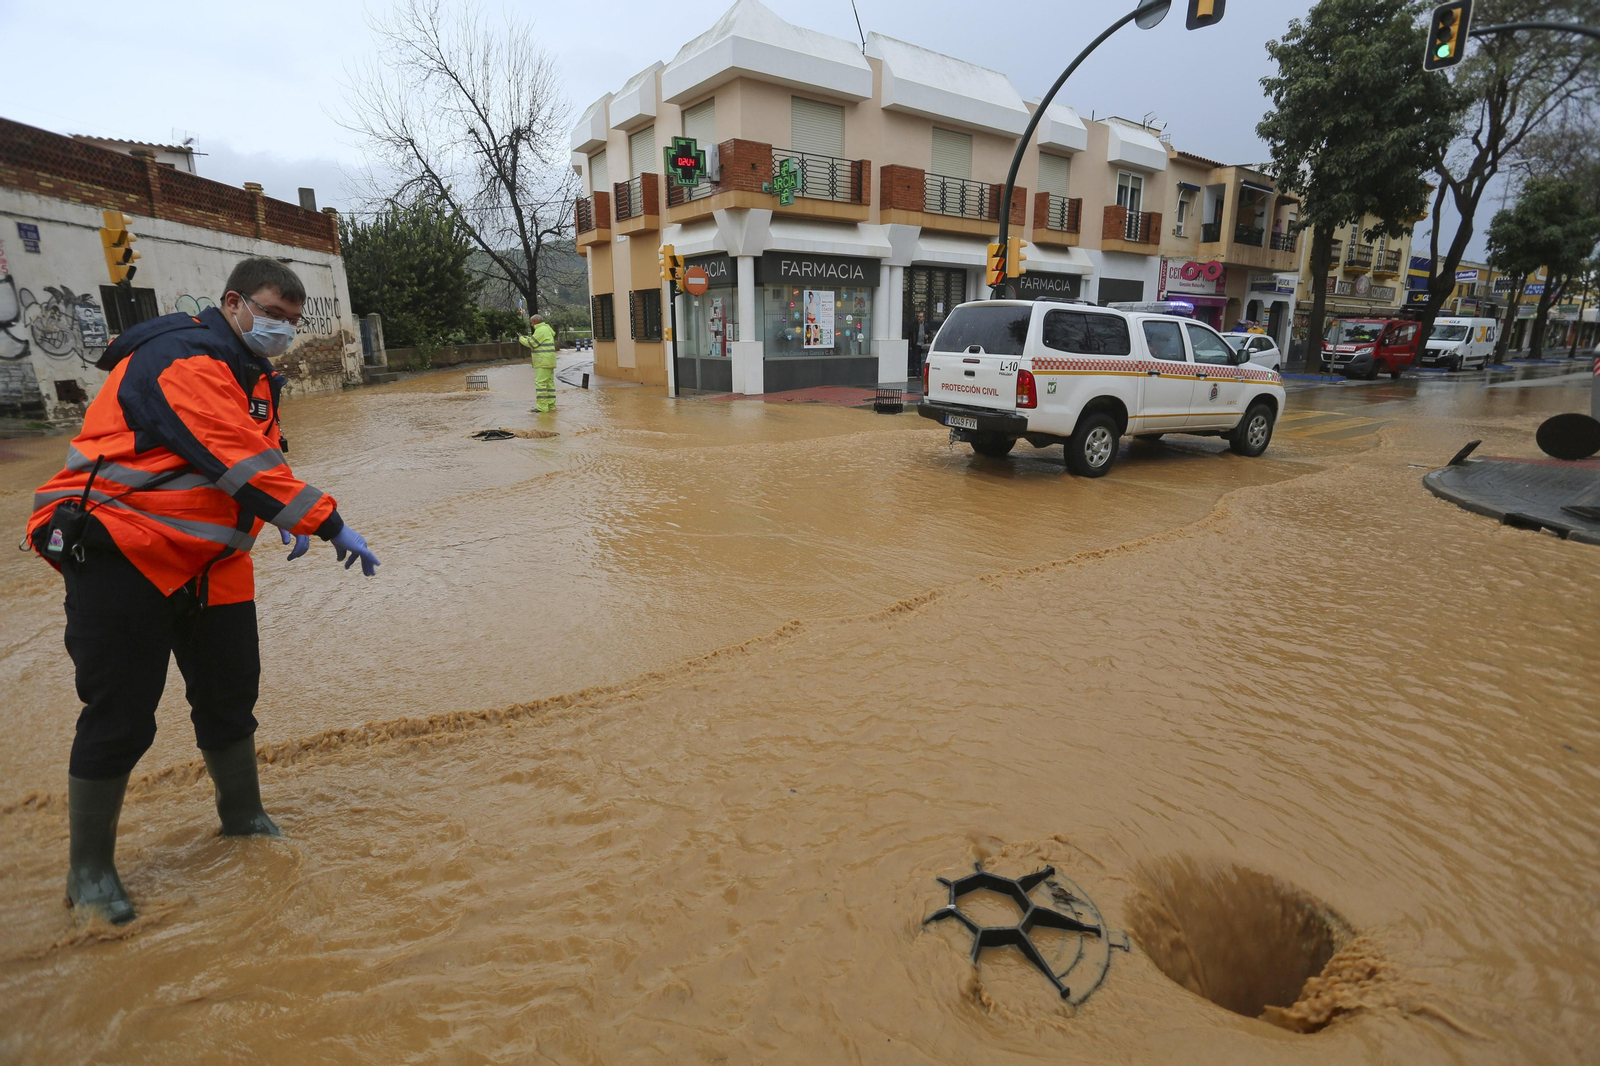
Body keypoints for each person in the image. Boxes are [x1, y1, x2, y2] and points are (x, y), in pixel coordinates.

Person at [24, 257, 381, 925]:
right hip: (122, 550)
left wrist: (270, 514)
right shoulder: (180, 357)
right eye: (273, 314)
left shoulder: (252, 374)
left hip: (211, 563)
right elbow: (229, 452)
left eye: (292, 322)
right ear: (235, 303)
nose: (282, 329)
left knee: (229, 693)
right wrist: (322, 520)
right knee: (121, 712)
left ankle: (242, 817)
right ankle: (90, 873)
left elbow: (258, 455)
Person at [521, 314, 558, 412]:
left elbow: (531, 343)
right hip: (549, 361)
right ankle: (551, 406)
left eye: (531, 322)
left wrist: (521, 338)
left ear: (535, 322)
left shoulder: (541, 330)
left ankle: (542, 408)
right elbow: (535, 340)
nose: (531, 325)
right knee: (549, 384)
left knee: (540, 384)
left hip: (542, 362)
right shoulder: (546, 329)